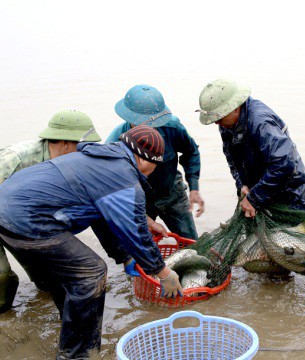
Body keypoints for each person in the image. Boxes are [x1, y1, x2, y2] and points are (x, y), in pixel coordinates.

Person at [0, 125, 183, 359]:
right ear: (145, 160)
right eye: (156, 165)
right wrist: (163, 272)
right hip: (27, 219)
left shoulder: (99, 156)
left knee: (65, 271)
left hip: (6, 209)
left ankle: (70, 326)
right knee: (91, 273)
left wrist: (123, 255)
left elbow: (103, 216)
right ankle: (78, 354)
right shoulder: (124, 177)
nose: (154, 170)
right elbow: (137, 234)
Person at [0, 110, 102, 314]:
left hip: (26, 223)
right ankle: (5, 319)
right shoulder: (16, 159)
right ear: (65, 142)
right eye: (82, 145)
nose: (86, 150)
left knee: (46, 280)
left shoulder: (73, 164)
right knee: (3, 277)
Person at [197, 78, 305, 218]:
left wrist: (254, 198)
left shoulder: (261, 122)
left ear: (234, 108)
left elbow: (283, 165)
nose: (217, 123)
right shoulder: (226, 124)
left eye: (219, 117)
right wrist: (242, 185)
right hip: (266, 197)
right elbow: (232, 158)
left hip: (295, 201)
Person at [106, 85, 204, 240]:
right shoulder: (115, 142)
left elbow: (191, 152)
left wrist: (194, 187)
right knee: (137, 246)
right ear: (128, 118)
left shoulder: (173, 127)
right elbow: (113, 190)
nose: (148, 129)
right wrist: (144, 218)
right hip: (138, 200)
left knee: (191, 243)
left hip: (172, 192)